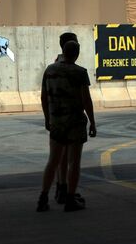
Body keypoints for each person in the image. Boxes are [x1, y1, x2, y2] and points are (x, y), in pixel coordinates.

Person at [37, 40, 97, 212]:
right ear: (77, 54)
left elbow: (43, 97)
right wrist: (92, 121)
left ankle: (43, 198)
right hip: (75, 122)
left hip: (56, 122)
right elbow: (86, 100)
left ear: (63, 51)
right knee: (74, 162)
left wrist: (48, 118)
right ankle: (70, 198)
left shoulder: (50, 70)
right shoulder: (80, 72)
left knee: (53, 161)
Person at [52, 32, 80, 205]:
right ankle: (68, 191)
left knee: (59, 157)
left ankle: (61, 187)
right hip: (71, 118)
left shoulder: (54, 65)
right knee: (71, 159)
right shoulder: (72, 68)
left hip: (56, 117)